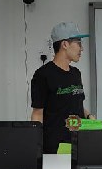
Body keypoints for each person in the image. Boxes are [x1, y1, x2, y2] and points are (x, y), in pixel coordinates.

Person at [30, 21, 95, 155]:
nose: (82, 49)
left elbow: (75, 103)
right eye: (78, 43)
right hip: (55, 149)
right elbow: (37, 113)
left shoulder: (76, 73)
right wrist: (37, 150)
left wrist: (89, 115)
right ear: (65, 44)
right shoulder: (43, 75)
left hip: (78, 144)